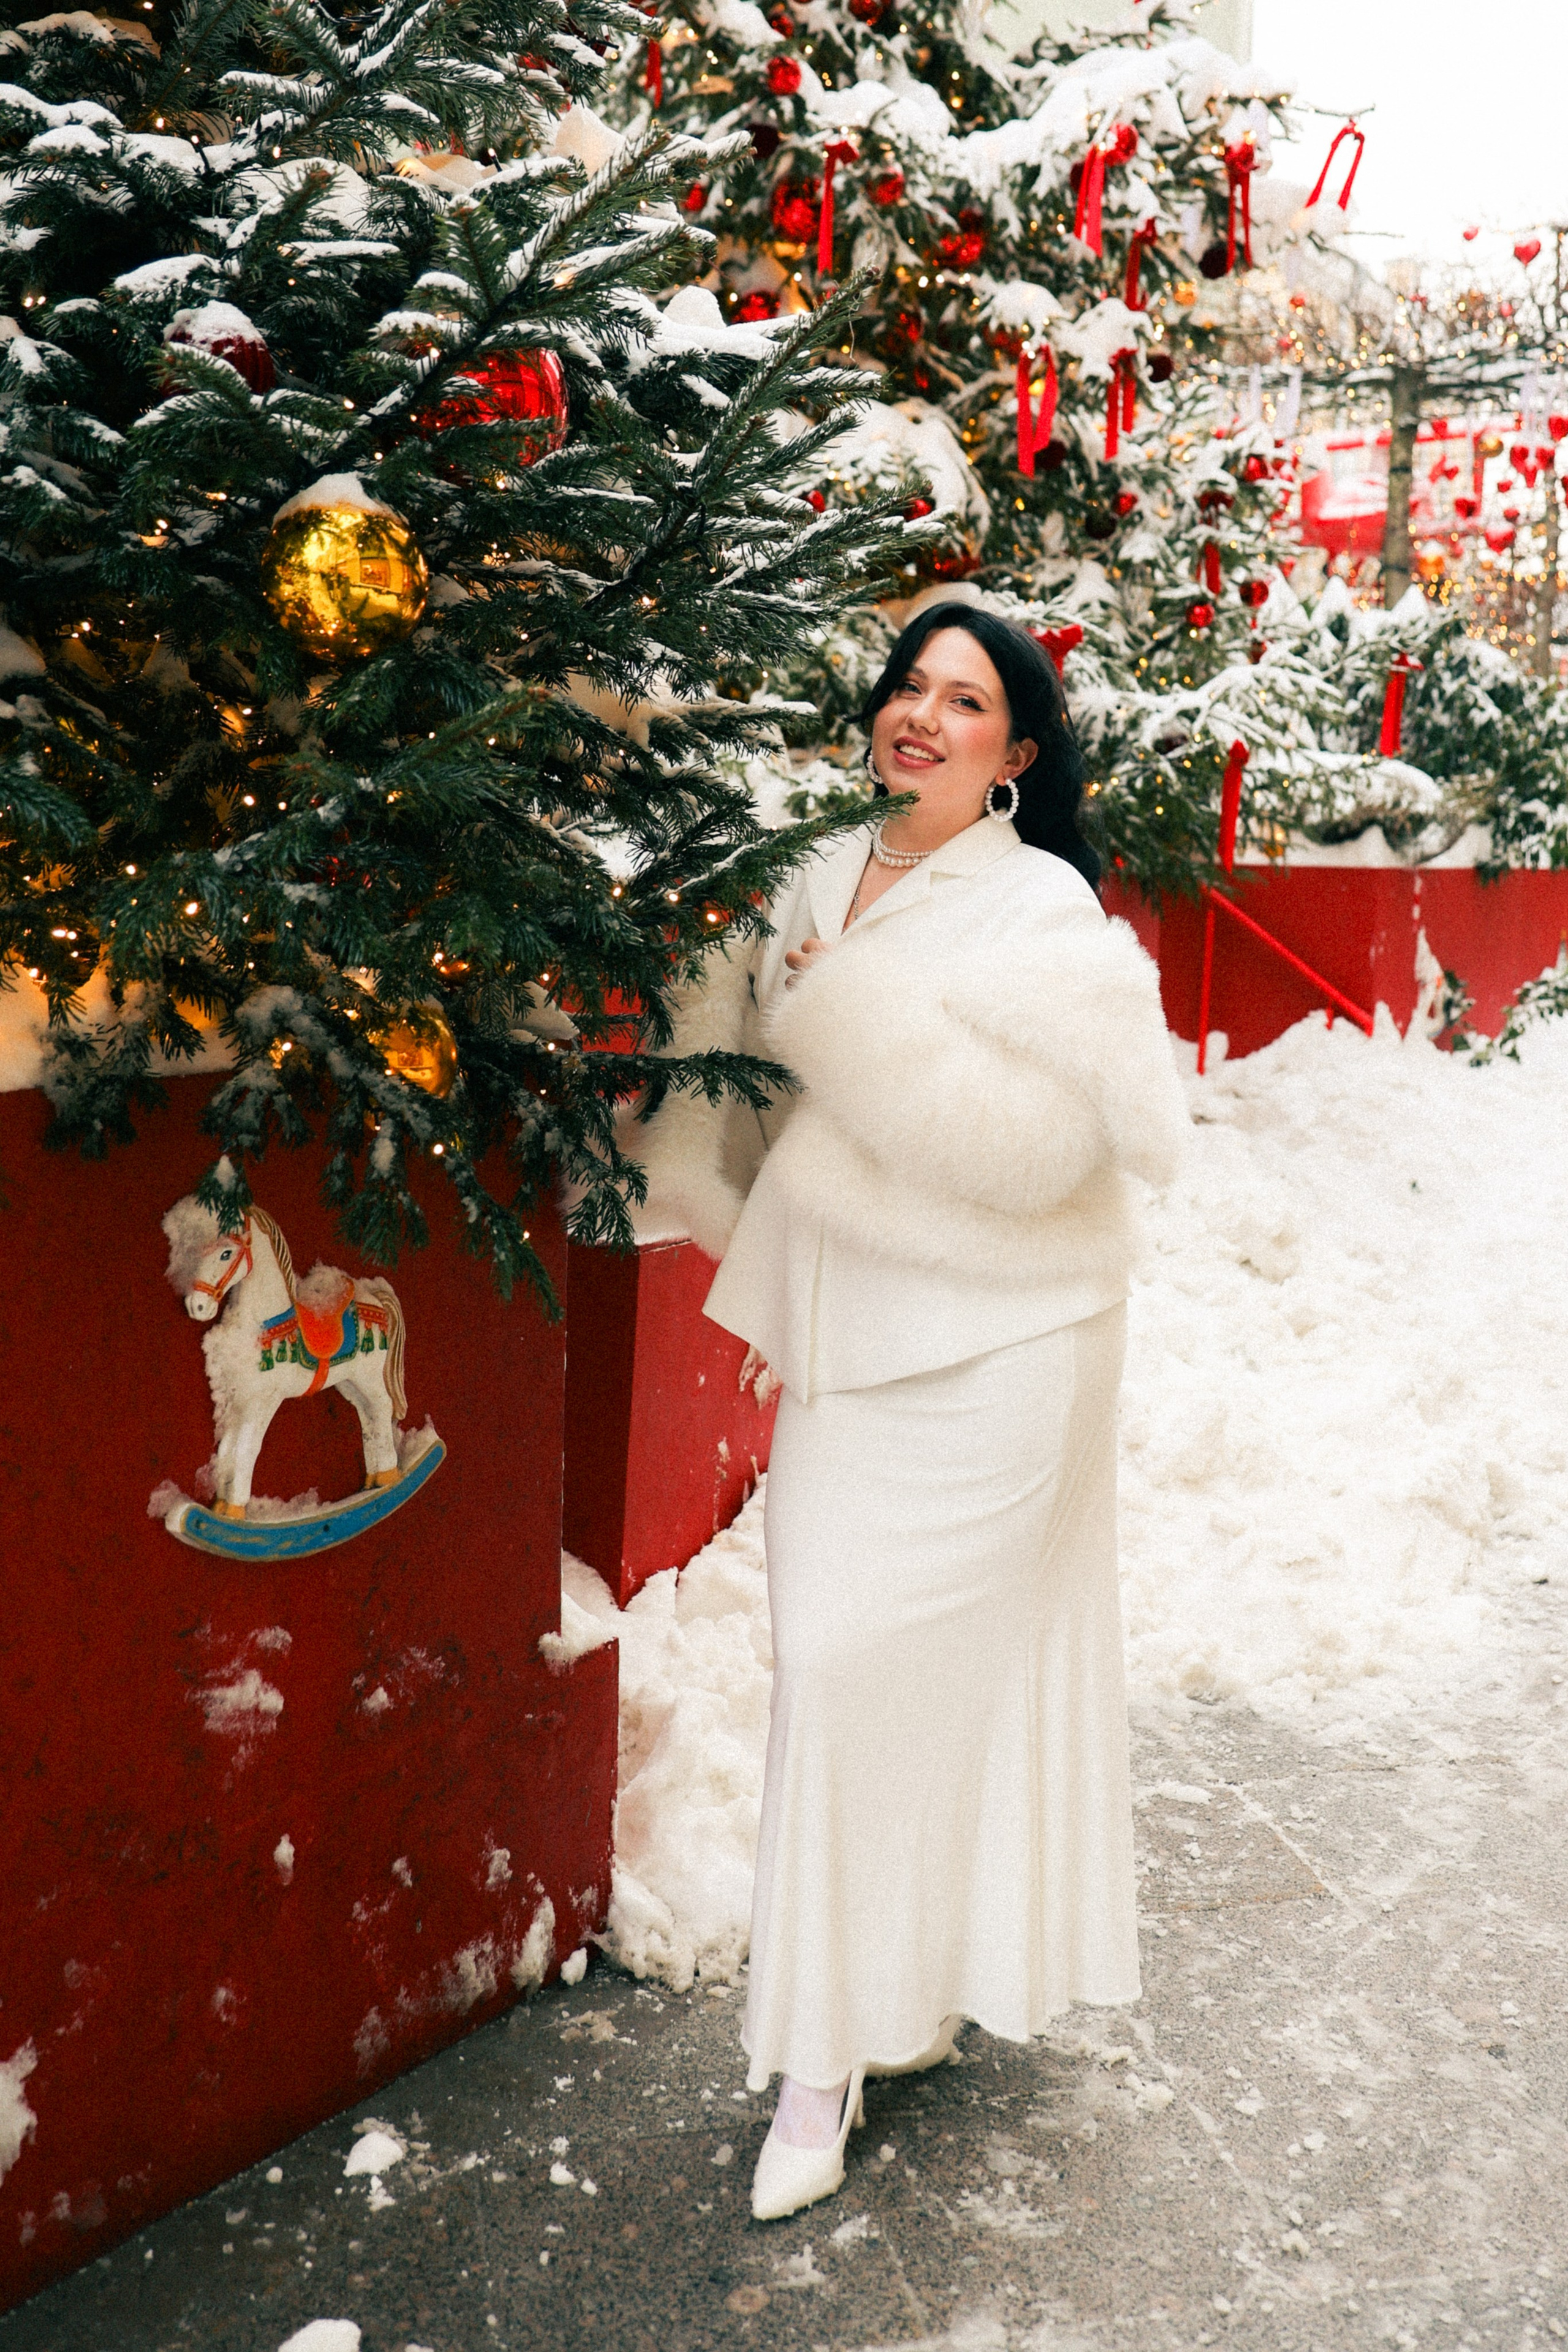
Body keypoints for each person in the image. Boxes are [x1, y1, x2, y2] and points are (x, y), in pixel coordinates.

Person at [637, 601, 1189, 2223]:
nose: (921, 717)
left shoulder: (1045, 905)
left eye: (966, 700)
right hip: (862, 1339)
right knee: (827, 1667)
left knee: (915, 1680)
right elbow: (729, 1093)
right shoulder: (811, 872)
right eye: (907, 687)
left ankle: (828, 2054)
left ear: (1016, 756)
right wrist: (767, 1256)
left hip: (1014, 1349)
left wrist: (844, 1010)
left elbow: (1027, 1155)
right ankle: (878, 1997)